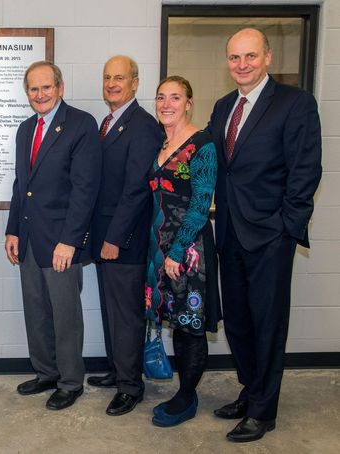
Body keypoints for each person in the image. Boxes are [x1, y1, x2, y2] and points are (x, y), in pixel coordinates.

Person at [208, 28, 322, 442]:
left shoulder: (295, 104)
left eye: (250, 56)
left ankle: (263, 410)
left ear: (267, 57)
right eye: (235, 57)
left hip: (271, 236)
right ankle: (249, 390)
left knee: (268, 323)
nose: (242, 64)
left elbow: (306, 171)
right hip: (230, 234)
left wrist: (286, 228)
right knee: (237, 321)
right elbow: (217, 167)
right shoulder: (223, 107)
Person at [5, 61, 101, 411]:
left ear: (60, 87)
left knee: (65, 315)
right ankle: (45, 372)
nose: (40, 94)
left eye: (46, 87)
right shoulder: (25, 129)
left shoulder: (81, 124)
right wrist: (12, 229)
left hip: (61, 240)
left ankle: (71, 381)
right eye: (33, 88)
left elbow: (84, 189)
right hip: (29, 238)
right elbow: (21, 185)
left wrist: (70, 240)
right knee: (36, 310)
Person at [89, 55, 164, 416]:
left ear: (135, 82)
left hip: (124, 239)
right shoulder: (109, 122)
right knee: (110, 311)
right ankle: (118, 371)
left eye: (119, 78)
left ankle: (131, 386)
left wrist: (114, 238)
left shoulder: (144, 126)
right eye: (107, 78)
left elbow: (136, 189)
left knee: (126, 315)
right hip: (106, 235)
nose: (112, 84)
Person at [145, 76, 220, 427]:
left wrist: (176, 251)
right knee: (173, 321)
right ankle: (183, 390)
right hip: (160, 250)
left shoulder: (202, 145)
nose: (166, 104)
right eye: (161, 97)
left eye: (175, 97)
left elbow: (201, 203)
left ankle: (187, 397)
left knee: (190, 326)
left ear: (189, 103)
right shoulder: (161, 144)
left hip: (189, 253)